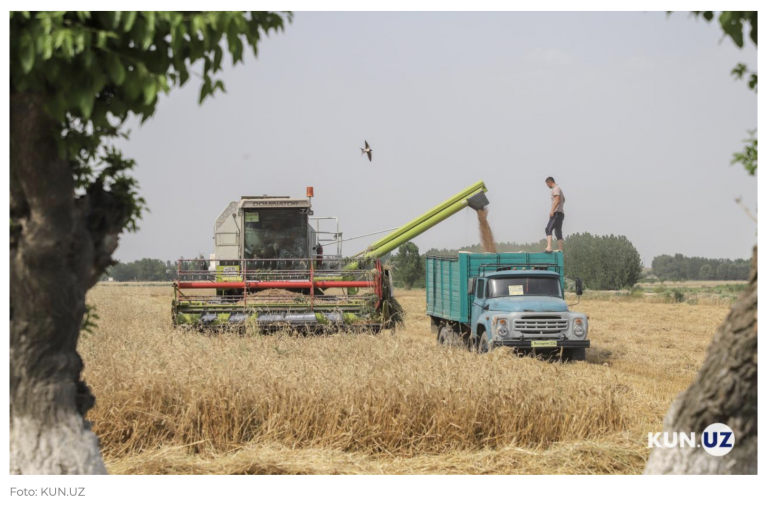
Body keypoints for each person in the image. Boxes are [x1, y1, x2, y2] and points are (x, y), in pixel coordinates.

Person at [544, 176, 565, 253]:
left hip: (556, 213)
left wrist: (552, 210)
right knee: (558, 232)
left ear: (550, 182)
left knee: (548, 229)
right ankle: (560, 249)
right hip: (560, 213)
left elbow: (558, 200)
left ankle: (549, 247)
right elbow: (564, 199)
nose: (547, 186)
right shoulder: (559, 189)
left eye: (547, 184)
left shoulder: (556, 188)